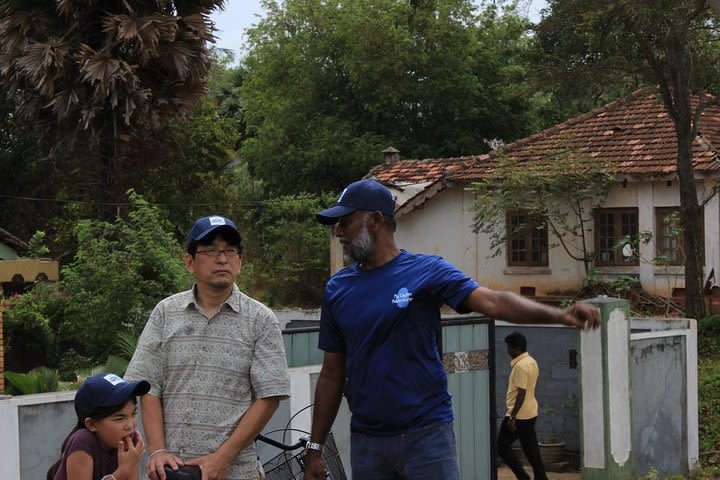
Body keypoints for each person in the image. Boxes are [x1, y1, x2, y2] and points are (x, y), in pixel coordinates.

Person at [303, 179, 600, 480]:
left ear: (377, 219)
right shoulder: (337, 289)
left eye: (346, 221)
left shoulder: (427, 271)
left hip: (426, 438)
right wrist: (315, 447)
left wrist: (560, 316)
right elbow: (332, 374)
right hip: (367, 444)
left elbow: (494, 302)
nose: (338, 231)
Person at [124, 215, 291, 480]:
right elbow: (148, 385)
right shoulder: (165, 313)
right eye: (211, 250)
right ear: (189, 262)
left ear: (240, 261)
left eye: (230, 250)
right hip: (173, 473)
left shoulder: (261, 319)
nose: (222, 258)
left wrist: (222, 459)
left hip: (236, 473)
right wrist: (157, 451)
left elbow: (269, 395)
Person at [47, 372, 150, 480]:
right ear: (91, 424)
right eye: (119, 418)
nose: (130, 425)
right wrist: (122, 471)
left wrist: (130, 464)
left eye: (133, 414)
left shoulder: (129, 442)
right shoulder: (83, 441)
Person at [498, 332, 549, 480]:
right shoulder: (531, 361)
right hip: (531, 412)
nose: (508, 351)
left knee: (502, 447)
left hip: (518, 416)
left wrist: (512, 417)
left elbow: (521, 392)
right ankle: (541, 477)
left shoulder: (520, 366)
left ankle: (522, 476)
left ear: (517, 348)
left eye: (510, 348)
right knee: (531, 449)